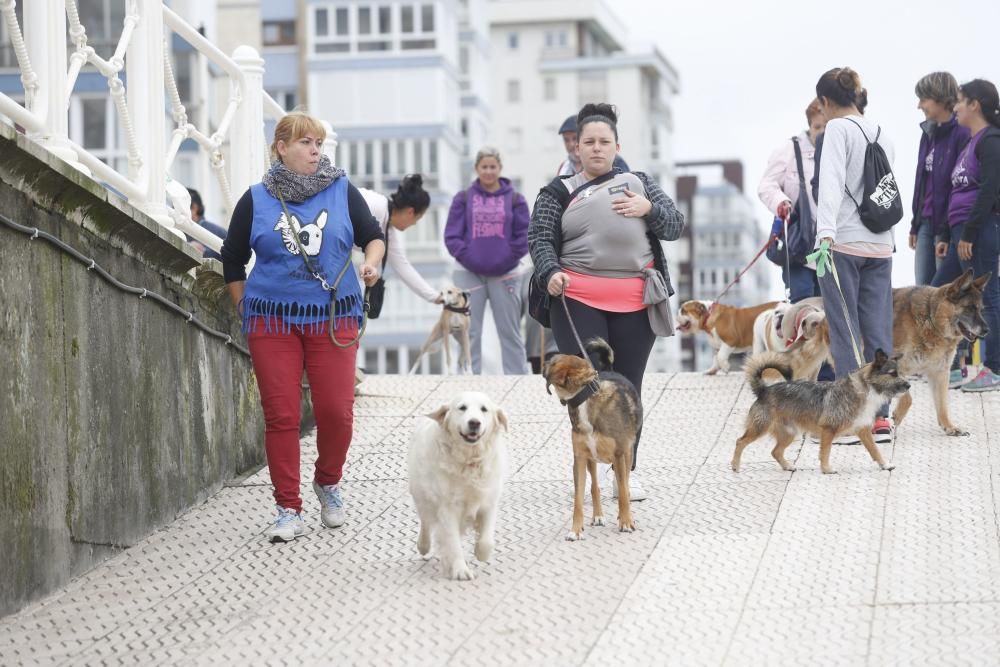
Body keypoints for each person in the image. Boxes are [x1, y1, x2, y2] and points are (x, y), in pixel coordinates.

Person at [219, 111, 385, 542]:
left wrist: (371, 263)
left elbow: (372, 235)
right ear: (281, 148)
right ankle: (287, 507)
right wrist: (245, 309)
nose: (316, 151)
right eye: (306, 143)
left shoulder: (341, 190)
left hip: (332, 315)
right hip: (271, 320)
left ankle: (328, 481)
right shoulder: (256, 199)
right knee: (282, 416)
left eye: (319, 143)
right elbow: (232, 258)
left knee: (336, 412)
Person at [529, 103, 685, 500]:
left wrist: (648, 209)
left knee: (628, 389)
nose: (597, 149)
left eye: (604, 142)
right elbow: (540, 239)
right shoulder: (556, 191)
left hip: (636, 302)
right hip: (576, 298)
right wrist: (550, 273)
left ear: (617, 145)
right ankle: (588, 475)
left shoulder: (639, 182)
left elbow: (675, 225)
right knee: (589, 385)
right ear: (576, 148)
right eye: (589, 142)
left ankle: (623, 476)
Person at [812, 67, 896, 444]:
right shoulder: (881, 130)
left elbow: (829, 181)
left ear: (826, 102)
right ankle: (881, 418)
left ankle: (851, 419)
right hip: (881, 241)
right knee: (878, 328)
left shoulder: (836, 129)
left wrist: (824, 235)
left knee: (845, 330)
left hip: (842, 241)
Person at [930, 79, 1000, 392]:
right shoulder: (970, 141)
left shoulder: (991, 140)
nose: (955, 106)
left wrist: (969, 233)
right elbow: (955, 190)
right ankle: (953, 367)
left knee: (989, 295)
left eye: (960, 100)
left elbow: (989, 190)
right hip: (961, 232)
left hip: (980, 230)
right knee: (939, 292)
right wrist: (947, 233)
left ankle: (994, 368)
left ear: (975, 104)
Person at [444, 146, 530, 374]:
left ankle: (517, 379)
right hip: (468, 272)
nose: (489, 171)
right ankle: (468, 378)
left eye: (493, 167)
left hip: (506, 273)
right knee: (468, 329)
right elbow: (452, 236)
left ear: (500, 168)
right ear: (477, 169)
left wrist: (506, 259)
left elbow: (524, 235)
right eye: (484, 167)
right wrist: (469, 257)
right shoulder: (463, 198)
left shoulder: (516, 199)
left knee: (509, 330)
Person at [758, 99, 827, 302]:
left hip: (830, 247)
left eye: (827, 127)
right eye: (817, 127)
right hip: (798, 244)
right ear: (809, 125)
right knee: (802, 305)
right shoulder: (788, 150)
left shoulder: (839, 151)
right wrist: (781, 202)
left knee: (830, 312)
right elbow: (766, 186)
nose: (822, 132)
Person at [910, 72, 971, 286]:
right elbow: (922, 182)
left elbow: (959, 185)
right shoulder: (927, 133)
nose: (919, 105)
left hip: (948, 224)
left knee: (943, 295)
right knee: (920, 293)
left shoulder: (962, 133)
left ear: (940, 98)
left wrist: (945, 232)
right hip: (925, 224)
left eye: (923, 99)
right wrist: (915, 225)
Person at [358, 174, 443, 305]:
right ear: (410, 212)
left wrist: (437, 297)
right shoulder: (376, 205)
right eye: (417, 219)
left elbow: (403, 268)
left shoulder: (387, 230)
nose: (414, 224)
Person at [556, 114, 630, 177]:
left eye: (575, 138)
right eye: (566, 140)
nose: (571, 144)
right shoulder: (564, 167)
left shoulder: (614, 162)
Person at [186, 188, 228, 260]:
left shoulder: (219, 233)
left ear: (194, 208)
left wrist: (205, 252)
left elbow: (232, 254)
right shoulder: (176, 230)